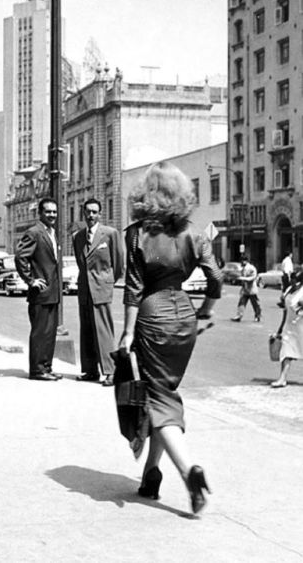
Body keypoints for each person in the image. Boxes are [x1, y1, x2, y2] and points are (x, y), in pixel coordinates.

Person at [118, 161, 222, 515]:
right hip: (184, 317)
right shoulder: (194, 233)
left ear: (145, 195)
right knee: (162, 394)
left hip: (152, 317)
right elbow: (216, 277)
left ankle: (187, 471)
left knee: (158, 398)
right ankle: (151, 474)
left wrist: (128, 332)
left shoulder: (136, 234)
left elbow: (133, 289)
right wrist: (205, 309)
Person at [73, 198, 124, 386]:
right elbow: (81, 264)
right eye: (88, 212)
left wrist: (106, 282)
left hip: (101, 289)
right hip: (84, 290)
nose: (91, 215)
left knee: (104, 331)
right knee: (86, 331)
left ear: (100, 214)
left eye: (94, 212)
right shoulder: (77, 237)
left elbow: (118, 265)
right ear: (83, 213)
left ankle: (111, 371)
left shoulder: (110, 234)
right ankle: (90, 370)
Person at [15, 197, 63, 381]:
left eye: (54, 212)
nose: (52, 215)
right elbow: (20, 257)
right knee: (40, 332)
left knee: (50, 333)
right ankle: (37, 370)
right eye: (48, 212)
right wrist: (30, 280)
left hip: (52, 292)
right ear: (40, 213)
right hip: (40, 293)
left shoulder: (51, 232)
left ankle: (46, 367)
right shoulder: (34, 232)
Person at [271, 270, 303, 388]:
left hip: (301, 326)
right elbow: (285, 311)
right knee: (286, 352)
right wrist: (280, 329)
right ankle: (282, 378)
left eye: (298, 278)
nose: (294, 280)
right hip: (290, 327)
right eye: (293, 278)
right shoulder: (289, 290)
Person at [230, 255, 261, 322]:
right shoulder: (243, 268)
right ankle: (239, 316)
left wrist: (242, 278)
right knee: (241, 303)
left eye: (242, 261)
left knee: (255, 304)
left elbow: (252, 278)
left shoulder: (251, 268)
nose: (241, 263)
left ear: (245, 261)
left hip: (251, 289)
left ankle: (257, 316)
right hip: (245, 289)